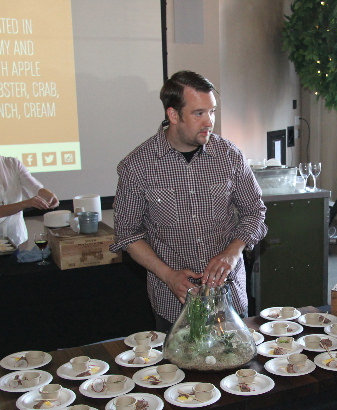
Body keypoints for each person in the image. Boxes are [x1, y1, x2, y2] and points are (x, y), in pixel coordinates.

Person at [110, 71, 267, 331]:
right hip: (173, 304)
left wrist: (232, 252)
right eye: (199, 113)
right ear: (173, 115)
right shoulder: (136, 166)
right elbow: (127, 235)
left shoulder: (229, 156)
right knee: (179, 372)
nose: (209, 122)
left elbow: (255, 213)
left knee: (238, 370)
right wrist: (169, 276)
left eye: (212, 111)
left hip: (230, 300)